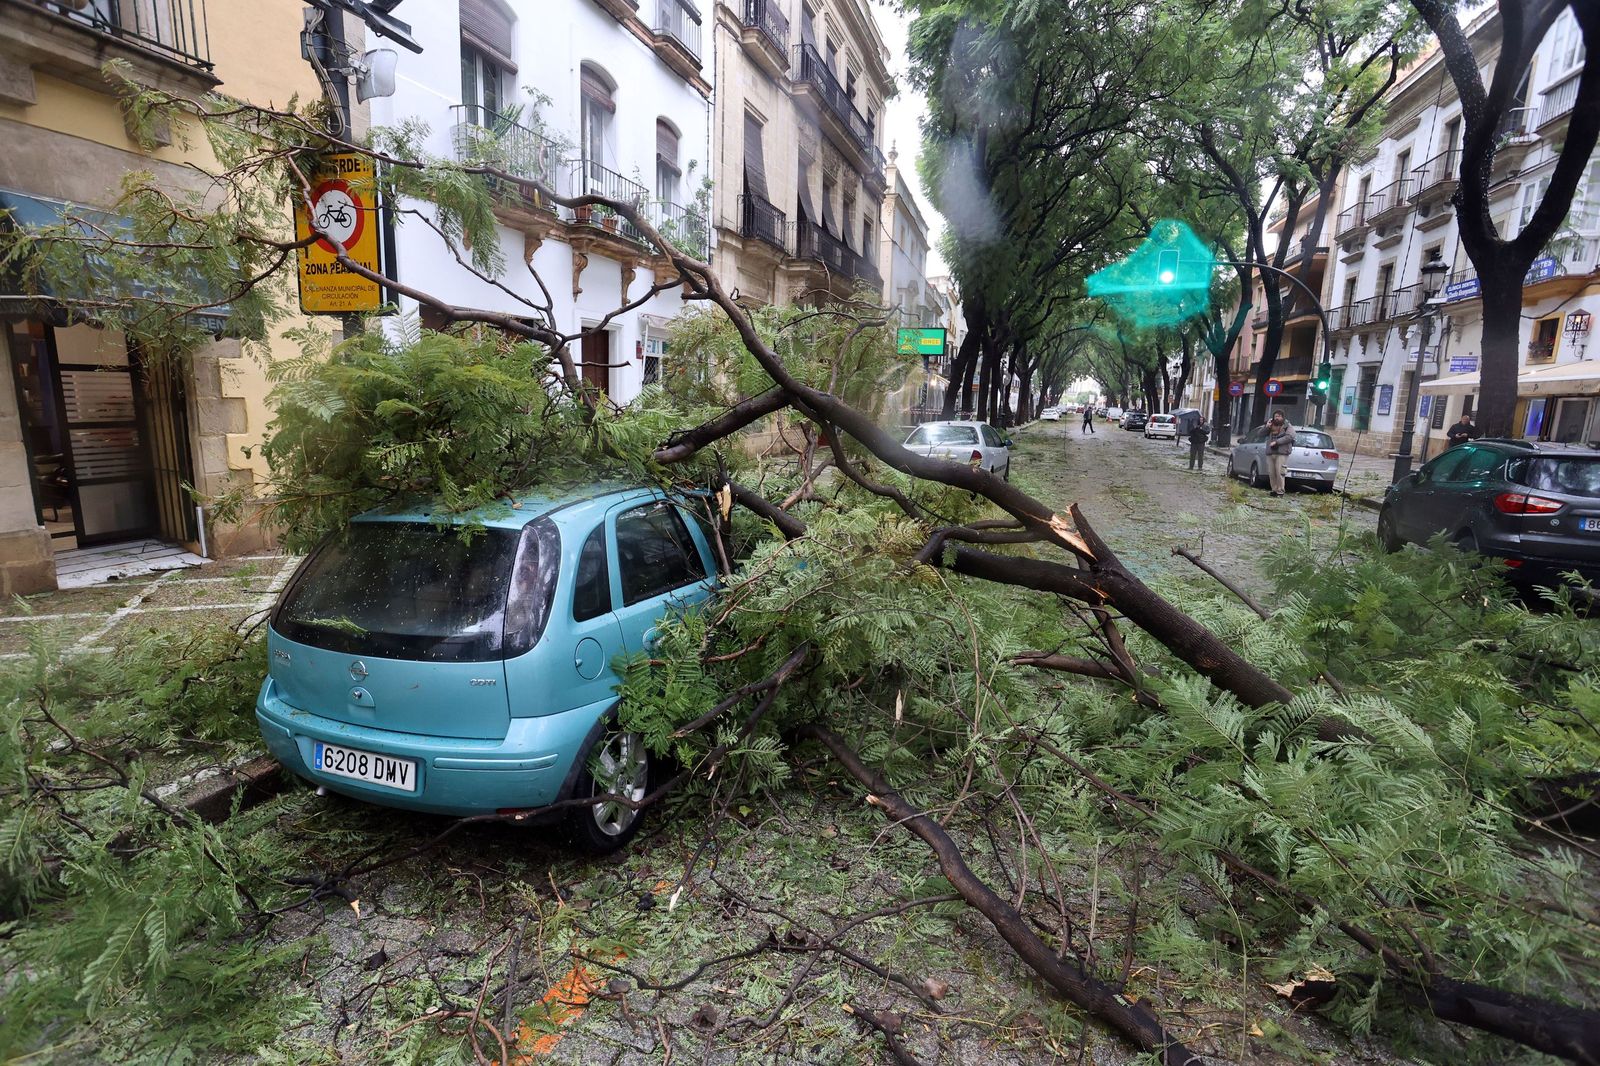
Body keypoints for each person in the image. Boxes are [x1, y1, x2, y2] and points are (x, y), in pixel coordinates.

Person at [1265, 412, 1295, 497]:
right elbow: (1260, 434)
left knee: (1279, 472)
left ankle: (1280, 491)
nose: (1277, 418)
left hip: (1282, 452)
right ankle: (1274, 490)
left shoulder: (1287, 426)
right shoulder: (1271, 426)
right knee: (1271, 472)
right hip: (1271, 452)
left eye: (1279, 416)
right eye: (1276, 416)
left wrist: (1277, 442)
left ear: (1283, 417)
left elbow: (1290, 436)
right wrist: (1266, 427)